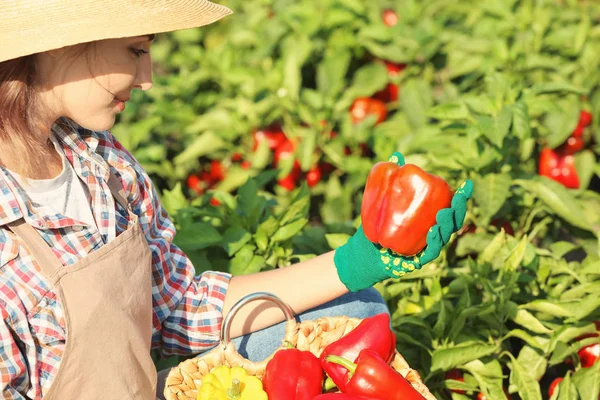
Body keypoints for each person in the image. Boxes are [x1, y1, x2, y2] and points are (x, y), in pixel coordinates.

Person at [0, 1, 472, 399]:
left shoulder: (101, 161)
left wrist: (360, 261)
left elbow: (180, 307)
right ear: (60, 46)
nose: (147, 79)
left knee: (359, 310)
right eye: (136, 50)